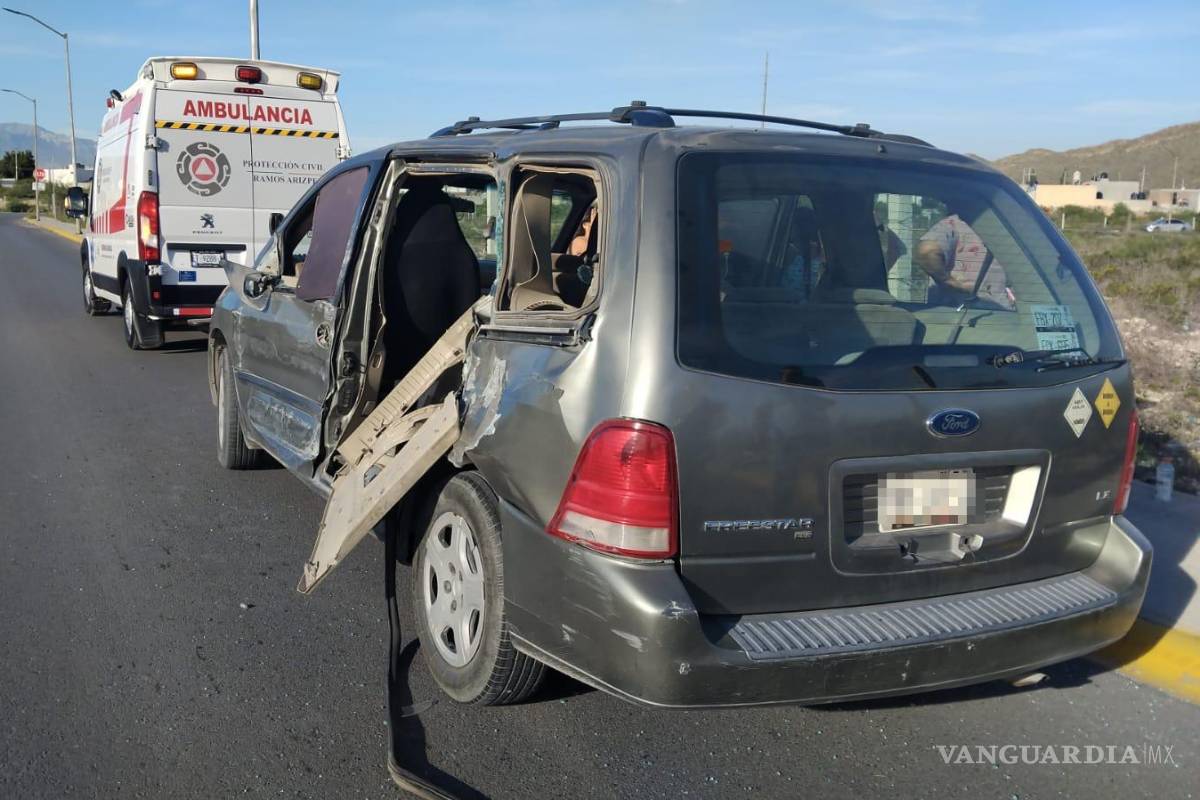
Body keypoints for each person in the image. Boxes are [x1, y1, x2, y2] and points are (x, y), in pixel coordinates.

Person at [914, 214, 1013, 308]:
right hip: (966, 316)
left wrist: (947, 281)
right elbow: (926, 252)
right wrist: (949, 282)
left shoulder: (955, 225)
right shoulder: (954, 226)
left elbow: (927, 251)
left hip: (990, 318)